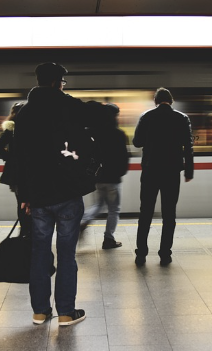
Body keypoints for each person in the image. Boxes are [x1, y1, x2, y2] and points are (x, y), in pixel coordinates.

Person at [15, 62, 92, 326]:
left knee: (39, 253)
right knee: (67, 254)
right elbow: (91, 129)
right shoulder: (68, 106)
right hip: (68, 192)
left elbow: (20, 157)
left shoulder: (25, 113)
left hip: (37, 196)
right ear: (57, 83)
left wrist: (24, 195)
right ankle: (66, 313)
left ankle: (40, 311)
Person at [132, 87, 194, 267]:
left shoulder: (146, 117)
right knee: (169, 214)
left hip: (150, 171)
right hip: (172, 172)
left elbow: (137, 142)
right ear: (171, 101)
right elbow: (188, 147)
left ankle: (141, 254)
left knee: (145, 213)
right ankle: (165, 255)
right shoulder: (182, 118)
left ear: (155, 101)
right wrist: (189, 171)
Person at [80, 102, 129, 249]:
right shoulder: (119, 134)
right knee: (114, 209)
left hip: (99, 177)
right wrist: (121, 172)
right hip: (113, 179)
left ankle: (83, 221)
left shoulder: (95, 132)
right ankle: (108, 239)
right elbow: (124, 157)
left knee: (98, 205)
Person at [0, 101, 32, 237]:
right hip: (32, 171)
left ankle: (24, 230)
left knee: (21, 202)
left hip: (15, 172)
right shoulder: (33, 127)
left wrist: (9, 159)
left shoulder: (11, 128)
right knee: (33, 202)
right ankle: (31, 230)